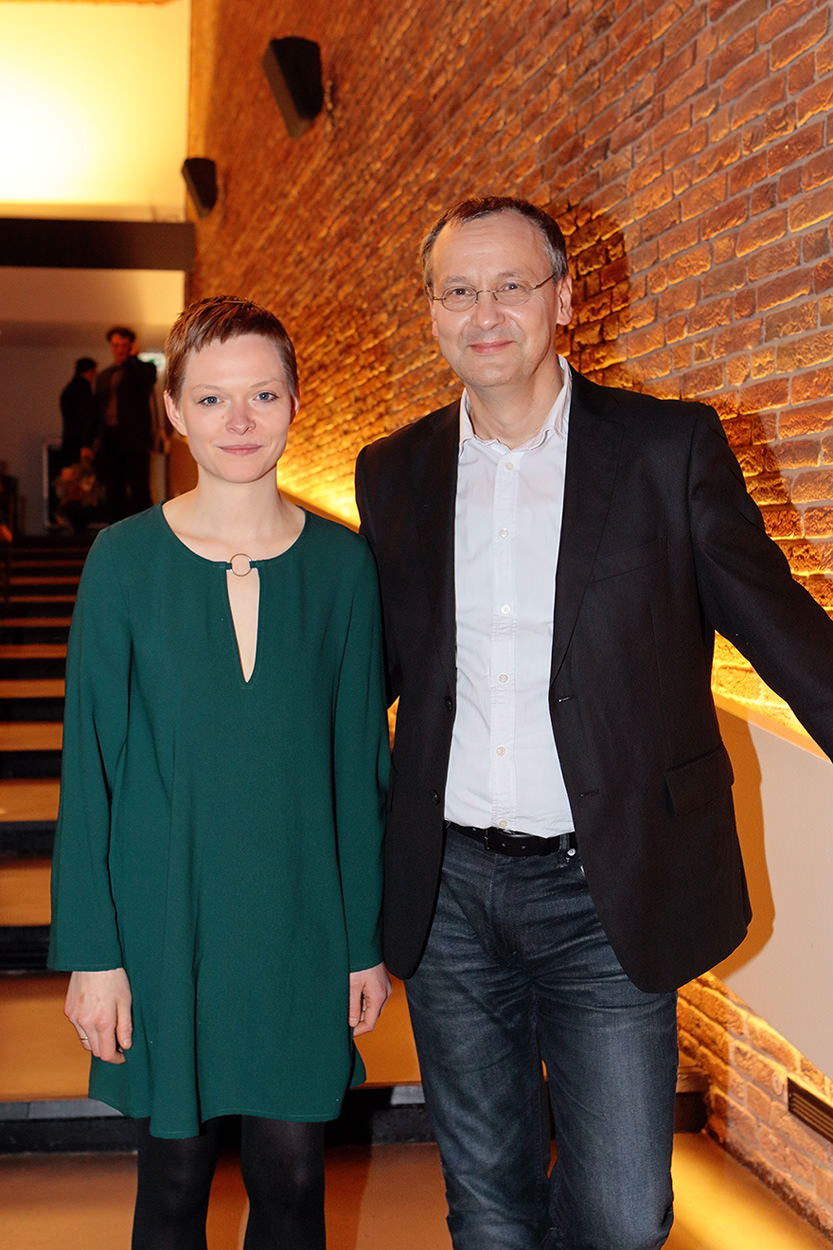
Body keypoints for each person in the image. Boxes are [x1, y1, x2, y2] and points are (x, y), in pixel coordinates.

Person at [354, 196, 833, 1250]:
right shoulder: (392, 470)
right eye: (457, 290)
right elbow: (372, 672)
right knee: (487, 1203)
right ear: (431, 311)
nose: (484, 313)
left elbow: (779, 625)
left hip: (603, 885)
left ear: (564, 299)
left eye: (510, 286)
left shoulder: (666, 448)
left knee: (620, 1216)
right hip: (447, 890)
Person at [49, 295, 391, 1250]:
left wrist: (362, 943)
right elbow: (90, 773)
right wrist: (94, 955)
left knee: (293, 1183)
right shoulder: (122, 562)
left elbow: (359, 770)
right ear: (172, 410)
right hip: (165, 925)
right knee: (173, 1184)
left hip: (298, 925)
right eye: (210, 399)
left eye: (262, 395)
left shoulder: (343, 566)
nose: (238, 421)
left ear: (294, 402)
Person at [95, 324, 157, 520]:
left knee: (140, 490)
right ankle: (116, 532)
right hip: (110, 440)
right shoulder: (105, 375)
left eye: (124, 345)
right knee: (113, 491)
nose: (119, 349)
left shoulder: (143, 369)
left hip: (135, 441)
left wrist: (132, 359)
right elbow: (97, 408)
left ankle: (146, 531)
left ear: (131, 346)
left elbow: (145, 381)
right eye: (116, 345)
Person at [58, 356, 97, 468]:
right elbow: (88, 418)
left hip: (70, 440)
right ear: (88, 372)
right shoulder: (84, 390)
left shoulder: (69, 389)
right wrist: (86, 443)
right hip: (80, 444)